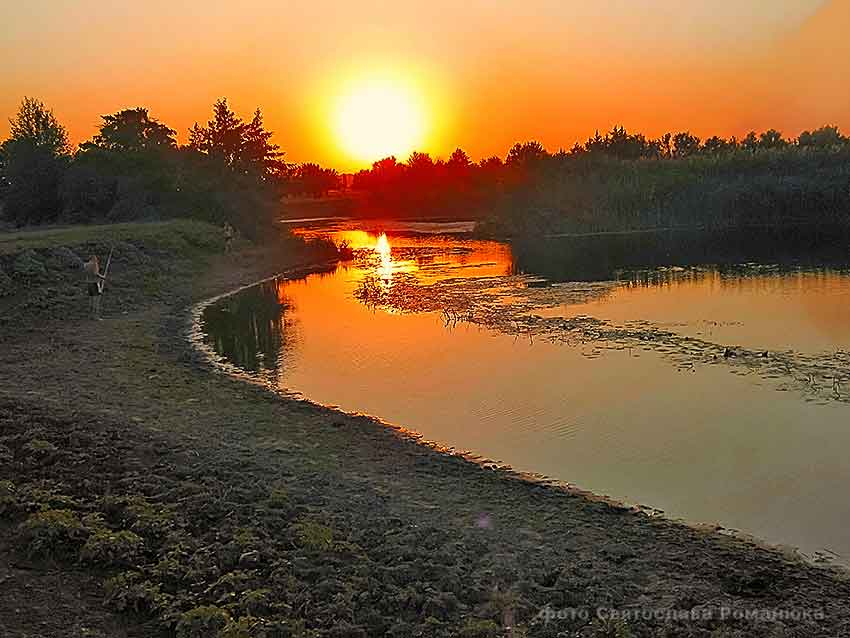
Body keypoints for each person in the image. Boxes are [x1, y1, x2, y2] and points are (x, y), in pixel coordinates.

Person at [83, 255, 107, 319]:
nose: (97, 260)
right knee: (96, 299)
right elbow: (95, 273)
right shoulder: (94, 264)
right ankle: (96, 316)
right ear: (94, 258)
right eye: (96, 258)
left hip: (88, 283)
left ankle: (90, 316)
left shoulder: (85, 265)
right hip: (95, 283)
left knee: (91, 300)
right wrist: (103, 277)